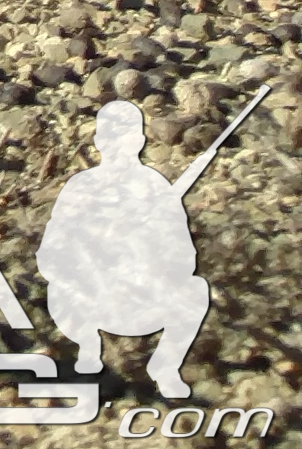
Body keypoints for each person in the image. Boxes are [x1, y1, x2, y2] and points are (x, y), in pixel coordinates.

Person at [36, 99, 220, 400]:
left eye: (126, 136)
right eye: (110, 137)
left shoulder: (155, 186)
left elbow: (184, 258)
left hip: (141, 297)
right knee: (58, 288)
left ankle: (165, 366)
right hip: (88, 298)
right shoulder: (81, 186)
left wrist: (148, 254)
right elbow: (50, 254)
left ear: (139, 140)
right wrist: (89, 267)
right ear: (98, 141)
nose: (118, 145)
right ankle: (88, 349)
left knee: (196, 289)